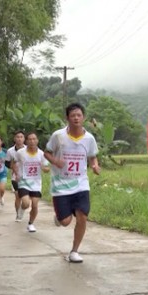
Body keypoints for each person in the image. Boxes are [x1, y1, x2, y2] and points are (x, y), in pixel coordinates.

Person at [44, 103, 101, 263]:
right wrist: (55, 161)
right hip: (61, 185)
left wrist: (95, 165)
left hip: (81, 183)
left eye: (79, 115)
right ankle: (60, 216)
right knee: (65, 222)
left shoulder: (89, 138)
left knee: (82, 216)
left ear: (83, 117)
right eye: (73, 115)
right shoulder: (58, 136)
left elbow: (92, 156)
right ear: (67, 118)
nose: (76, 118)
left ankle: (74, 251)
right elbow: (47, 152)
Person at [12, 132, 50, 231]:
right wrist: (16, 173)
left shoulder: (42, 154)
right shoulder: (20, 152)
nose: (32, 141)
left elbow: (47, 168)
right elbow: (13, 163)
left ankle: (31, 223)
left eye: (34, 139)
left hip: (36, 183)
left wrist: (44, 168)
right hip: (23, 181)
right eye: (30, 139)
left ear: (37, 140)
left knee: (34, 204)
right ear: (27, 141)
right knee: (25, 203)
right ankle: (22, 209)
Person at [5, 130, 26, 220]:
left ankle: (22, 209)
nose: (19, 139)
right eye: (17, 137)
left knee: (25, 198)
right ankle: (18, 214)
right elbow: (7, 163)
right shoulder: (10, 151)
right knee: (18, 196)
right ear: (14, 139)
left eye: (21, 137)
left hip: (26, 177)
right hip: (15, 177)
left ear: (24, 139)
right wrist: (13, 167)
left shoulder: (28, 149)